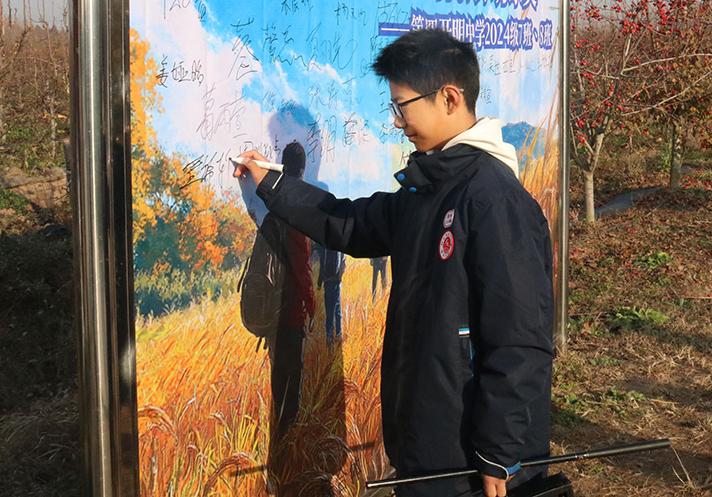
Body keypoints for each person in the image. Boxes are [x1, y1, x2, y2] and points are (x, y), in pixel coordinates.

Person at [235, 28, 553, 497]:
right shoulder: (427, 189)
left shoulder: (492, 199)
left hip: (469, 460)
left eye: (402, 106)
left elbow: (519, 341)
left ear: (449, 98)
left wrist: (499, 455)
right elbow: (348, 222)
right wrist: (273, 185)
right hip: (427, 443)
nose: (398, 120)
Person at [266, 142, 316, 491]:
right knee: (291, 391)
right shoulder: (296, 210)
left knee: (276, 387)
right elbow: (301, 267)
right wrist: (312, 303)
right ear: (303, 167)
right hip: (292, 316)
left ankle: (275, 459)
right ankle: (286, 462)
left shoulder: (271, 208)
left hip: (272, 314)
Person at [316, 244, 344, 345]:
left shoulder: (326, 245)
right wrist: (340, 276)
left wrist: (319, 283)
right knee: (337, 308)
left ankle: (329, 337)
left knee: (329, 309)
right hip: (337, 281)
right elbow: (343, 262)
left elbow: (322, 264)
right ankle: (339, 333)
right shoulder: (340, 245)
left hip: (328, 281)